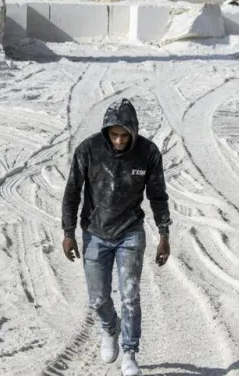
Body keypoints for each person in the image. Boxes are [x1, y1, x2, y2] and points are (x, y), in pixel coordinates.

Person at [61, 98, 172, 376]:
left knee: (130, 296)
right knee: (98, 299)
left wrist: (164, 233)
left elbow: (157, 195)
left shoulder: (148, 153)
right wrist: (68, 232)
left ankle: (130, 353)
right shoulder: (88, 150)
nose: (120, 141)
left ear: (133, 132)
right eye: (115, 135)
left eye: (125, 135)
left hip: (130, 232)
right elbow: (72, 192)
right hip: (95, 231)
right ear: (107, 131)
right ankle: (110, 329)